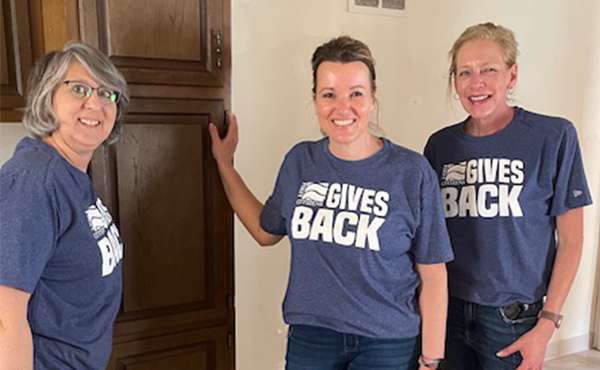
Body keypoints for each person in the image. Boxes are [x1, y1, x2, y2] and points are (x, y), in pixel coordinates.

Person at [209, 36, 454, 370]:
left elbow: (433, 273)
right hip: (312, 337)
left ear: (372, 99)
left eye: (356, 93)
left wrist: (432, 356)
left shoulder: (411, 173)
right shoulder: (300, 162)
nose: (343, 107)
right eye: (329, 94)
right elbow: (266, 231)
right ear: (314, 100)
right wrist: (225, 166)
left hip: (387, 341)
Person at [424, 23, 593, 370]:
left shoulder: (553, 136)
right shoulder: (440, 146)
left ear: (511, 75)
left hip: (513, 318)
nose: (477, 82)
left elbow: (572, 240)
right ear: (455, 81)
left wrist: (548, 323)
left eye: (489, 70)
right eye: (465, 72)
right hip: (448, 311)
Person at [0, 41, 129, 369]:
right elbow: (5, 319)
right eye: (79, 89)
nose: (95, 103)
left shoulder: (69, 174)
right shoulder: (34, 180)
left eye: (106, 93)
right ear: (47, 97)